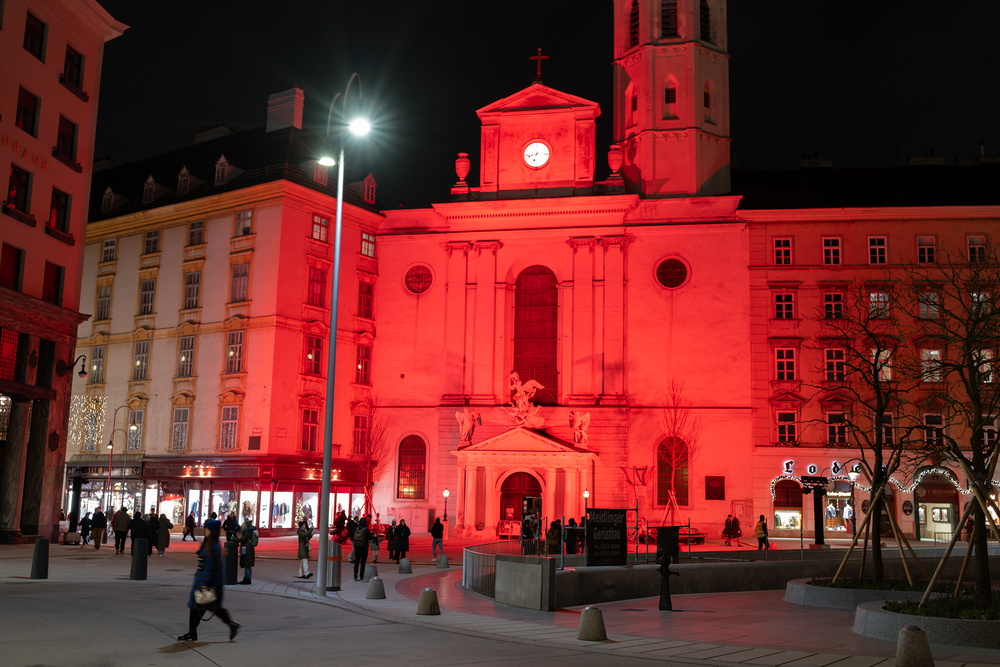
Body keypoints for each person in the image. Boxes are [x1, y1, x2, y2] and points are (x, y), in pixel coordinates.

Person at [177, 520, 239, 643]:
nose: (205, 531)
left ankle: (193, 632)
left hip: (207, 583)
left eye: (207, 529)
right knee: (202, 607)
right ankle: (193, 632)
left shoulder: (213, 546)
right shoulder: (210, 544)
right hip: (205, 582)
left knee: (202, 607)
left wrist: (204, 584)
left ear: (212, 531)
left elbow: (210, 567)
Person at [236, 519, 257, 584]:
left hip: (247, 548)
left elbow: (243, 539)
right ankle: (246, 578)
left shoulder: (247, 530)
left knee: (247, 564)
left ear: (245, 525)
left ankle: (247, 579)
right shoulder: (249, 530)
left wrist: (235, 539)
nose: (242, 525)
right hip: (249, 548)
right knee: (247, 564)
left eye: (243, 524)